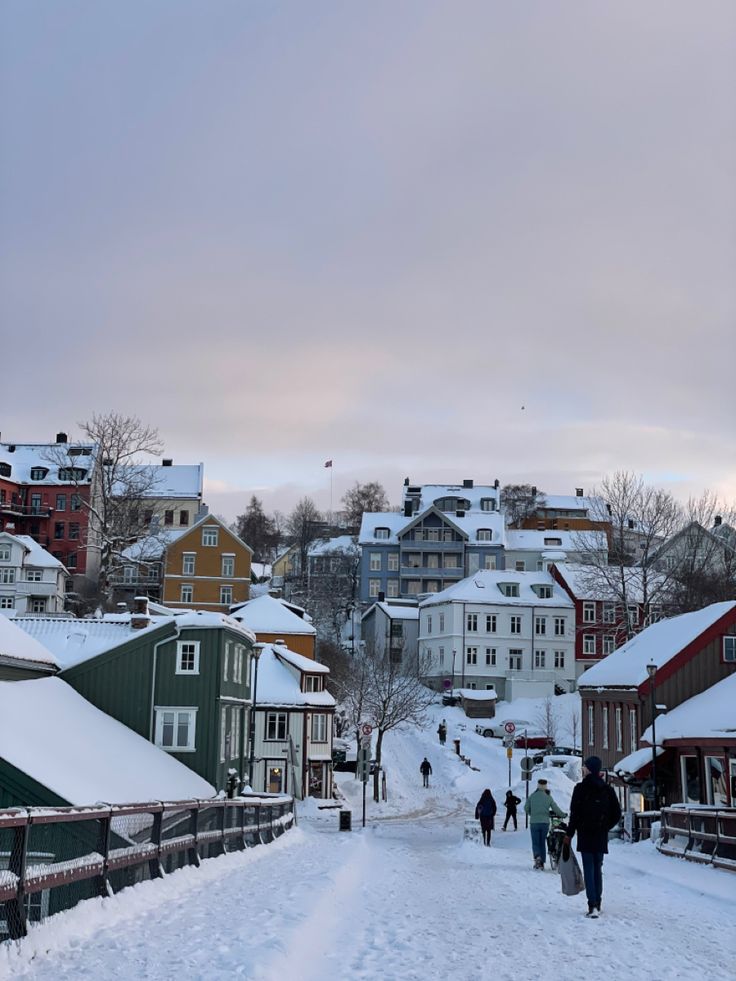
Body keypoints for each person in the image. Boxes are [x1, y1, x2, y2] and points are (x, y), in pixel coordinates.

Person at [563, 756, 622, 918]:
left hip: (585, 834)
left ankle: (592, 904)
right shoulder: (608, 790)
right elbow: (617, 813)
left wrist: (569, 834)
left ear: (589, 769)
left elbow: (574, 815)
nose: (583, 769)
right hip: (600, 835)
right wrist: (605, 827)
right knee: (598, 868)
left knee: (588, 868)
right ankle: (598, 901)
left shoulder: (580, 789)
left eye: (584, 767)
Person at [523, 777, 565, 869]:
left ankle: (537, 857)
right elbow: (555, 808)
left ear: (538, 786)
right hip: (545, 823)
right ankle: (542, 862)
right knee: (542, 842)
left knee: (535, 842)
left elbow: (526, 808)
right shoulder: (548, 797)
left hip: (534, 822)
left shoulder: (532, 796)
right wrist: (563, 815)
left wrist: (532, 814)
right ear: (545, 787)